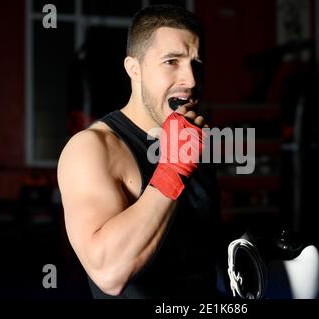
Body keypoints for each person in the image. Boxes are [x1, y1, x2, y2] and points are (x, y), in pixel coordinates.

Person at [57, 5, 222, 299]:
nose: (191, 80)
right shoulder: (92, 149)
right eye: (172, 61)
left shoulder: (195, 140)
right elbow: (108, 273)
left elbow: (195, 252)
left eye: (196, 64)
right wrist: (172, 168)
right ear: (134, 69)